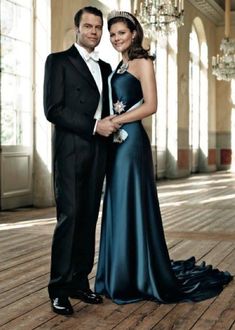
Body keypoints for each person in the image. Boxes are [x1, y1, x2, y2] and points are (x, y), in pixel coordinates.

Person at [95, 10, 233, 304]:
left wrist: (117, 121)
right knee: (118, 201)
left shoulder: (143, 62)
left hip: (132, 143)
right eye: (113, 34)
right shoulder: (120, 65)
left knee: (132, 201)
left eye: (121, 33)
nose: (116, 38)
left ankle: (137, 274)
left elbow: (152, 105)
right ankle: (120, 272)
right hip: (116, 143)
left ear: (134, 33)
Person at [43, 6, 120, 315]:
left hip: (99, 152)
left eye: (98, 27)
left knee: (89, 218)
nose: (94, 31)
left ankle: (79, 282)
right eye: (88, 26)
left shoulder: (104, 67)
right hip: (71, 150)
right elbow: (53, 109)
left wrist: (111, 124)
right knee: (69, 219)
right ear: (77, 29)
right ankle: (58, 288)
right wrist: (94, 124)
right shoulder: (58, 61)